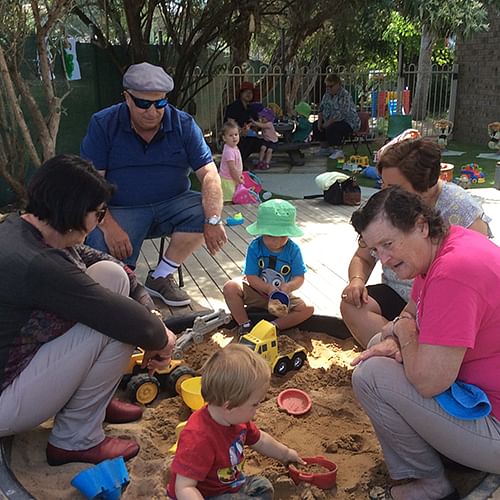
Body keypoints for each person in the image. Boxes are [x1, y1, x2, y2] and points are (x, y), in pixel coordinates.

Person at [0, 155, 177, 466]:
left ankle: (90, 403)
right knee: (116, 324)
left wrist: (149, 309)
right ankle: (74, 439)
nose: (100, 219)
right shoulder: (39, 264)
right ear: (72, 209)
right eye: (99, 212)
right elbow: (140, 328)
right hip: (6, 399)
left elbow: (110, 266)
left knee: (113, 277)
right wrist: (162, 337)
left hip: (16, 369)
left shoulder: (25, 228)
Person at [349, 187, 500, 500]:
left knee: (370, 375)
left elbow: (429, 382)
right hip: (482, 394)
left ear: (420, 225)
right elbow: (410, 310)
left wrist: (403, 334)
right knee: (381, 342)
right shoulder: (444, 245)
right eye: (376, 250)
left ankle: (430, 483)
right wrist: (397, 334)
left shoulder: (453, 272)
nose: (384, 260)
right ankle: (439, 453)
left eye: (388, 244)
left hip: (494, 423)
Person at [81, 62, 226, 307]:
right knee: (101, 252)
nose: (153, 111)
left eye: (160, 103)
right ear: (127, 98)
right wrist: (108, 224)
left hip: (172, 204)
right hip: (122, 209)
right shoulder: (103, 123)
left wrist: (213, 219)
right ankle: (124, 288)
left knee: (206, 211)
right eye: (143, 103)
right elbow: (91, 181)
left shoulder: (184, 124)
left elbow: (210, 174)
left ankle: (160, 276)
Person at [340, 135, 491, 348]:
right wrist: (356, 280)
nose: (385, 192)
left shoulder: (461, 210)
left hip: (442, 301)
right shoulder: (387, 205)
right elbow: (363, 256)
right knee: (353, 305)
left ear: (423, 184)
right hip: (399, 295)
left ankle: (405, 352)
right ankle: (398, 352)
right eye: (383, 184)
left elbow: (474, 274)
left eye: (393, 186)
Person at [167, 344, 304, 499]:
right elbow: (184, 487)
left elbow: (261, 440)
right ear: (229, 406)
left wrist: (285, 454)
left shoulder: (237, 420)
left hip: (229, 483)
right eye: (254, 404)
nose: (257, 408)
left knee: (263, 487)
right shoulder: (198, 438)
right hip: (205, 495)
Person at [223, 199, 314, 335]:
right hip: (255, 291)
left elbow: (299, 277)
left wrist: (288, 287)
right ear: (262, 231)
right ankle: (244, 324)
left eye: (283, 235)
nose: (277, 241)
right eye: (271, 235)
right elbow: (251, 276)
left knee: (307, 309)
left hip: (281, 298)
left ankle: (273, 327)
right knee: (230, 287)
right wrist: (267, 288)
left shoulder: (293, 249)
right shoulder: (255, 246)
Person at [312, 73, 360, 159]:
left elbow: (340, 114)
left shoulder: (345, 95)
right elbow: (321, 108)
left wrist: (328, 123)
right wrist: (320, 121)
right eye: (327, 86)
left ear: (338, 84)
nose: (328, 88)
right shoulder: (327, 94)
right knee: (316, 125)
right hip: (330, 119)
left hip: (348, 122)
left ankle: (338, 151)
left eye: (331, 86)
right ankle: (324, 148)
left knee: (333, 127)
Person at [224, 81, 264, 161]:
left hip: (248, 135)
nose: (248, 94)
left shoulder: (252, 108)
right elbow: (230, 123)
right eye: (246, 92)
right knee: (247, 142)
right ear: (241, 94)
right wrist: (240, 131)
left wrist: (253, 128)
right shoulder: (234, 107)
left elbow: (256, 125)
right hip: (234, 136)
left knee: (264, 143)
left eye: (250, 92)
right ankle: (238, 162)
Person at [219, 119, 244, 203]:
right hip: (228, 181)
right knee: (228, 201)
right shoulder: (229, 151)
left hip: (232, 179)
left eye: (236, 134)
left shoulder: (234, 147)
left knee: (234, 199)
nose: (234, 137)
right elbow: (232, 168)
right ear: (224, 138)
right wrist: (238, 179)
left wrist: (239, 175)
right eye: (230, 135)